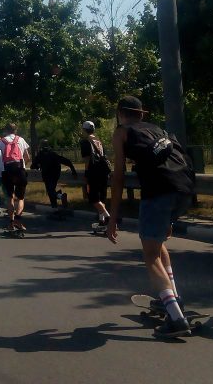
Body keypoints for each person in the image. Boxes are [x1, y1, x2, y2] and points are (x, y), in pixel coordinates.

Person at [106, 96, 196, 338]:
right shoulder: (157, 129)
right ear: (141, 114)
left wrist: (112, 217)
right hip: (184, 190)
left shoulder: (122, 133)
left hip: (158, 193)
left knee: (150, 255)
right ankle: (172, 300)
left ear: (120, 113)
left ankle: (176, 319)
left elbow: (118, 177)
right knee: (158, 244)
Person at [0, 123, 31, 235]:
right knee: (20, 198)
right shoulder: (21, 139)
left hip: (7, 171)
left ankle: (11, 223)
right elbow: (27, 157)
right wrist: (24, 165)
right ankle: (18, 220)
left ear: (6, 130)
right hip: (20, 169)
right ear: (16, 130)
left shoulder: (1, 141)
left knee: (9, 197)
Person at [80, 121, 113, 230]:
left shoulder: (85, 141)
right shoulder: (98, 140)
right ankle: (101, 221)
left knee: (93, 197)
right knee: (101, 197)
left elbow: (87, 160)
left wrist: (86, 174)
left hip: (93, 172)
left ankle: (108, 219)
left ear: (84, 130)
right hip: (103, 172)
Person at [30, 142, 77, 213]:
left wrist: (38, 166)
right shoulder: (53, 154)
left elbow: (32, 166)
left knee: (50, 191)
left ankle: (60, 196)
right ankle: (54, 207)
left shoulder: (40, 155)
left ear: (41, 148)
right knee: (51, 190)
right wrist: (73, 171)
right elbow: (67, 161)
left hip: (46, 175)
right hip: (55, 175)